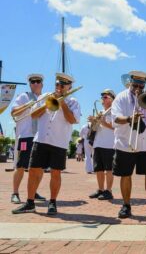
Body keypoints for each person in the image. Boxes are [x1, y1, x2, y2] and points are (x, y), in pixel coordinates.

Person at [12, 73, 81, 215]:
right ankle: (30, 203)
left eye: (62, 85)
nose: (59, 87)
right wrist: (47, 104)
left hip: (59, 142)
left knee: (55, 173)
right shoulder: (45, 97)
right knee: (33, 172)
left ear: (69, 87)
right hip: (41, 139)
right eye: (57, 84)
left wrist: (62, 104)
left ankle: (52, 202)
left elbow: (73, 120)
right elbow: (33, 115)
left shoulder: (73, 101)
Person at [111, 70, 146, 218]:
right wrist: (129, 119)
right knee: (125, 175)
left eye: (141, 85)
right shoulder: (121, 97)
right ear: (130, 82)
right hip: (125, 143)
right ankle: (126, 205)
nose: (138, 88)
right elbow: (115, 118)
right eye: (135, 85)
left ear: (145, 84)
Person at [10, 74, 46, 204]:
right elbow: (13, 112)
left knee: (39, 168)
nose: (35, 83)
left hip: (40, 137)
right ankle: (15, 193)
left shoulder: (44, 98)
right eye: (33, 82)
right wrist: (27, 106)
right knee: (20, 166)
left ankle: (33, 191)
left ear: (42, 84)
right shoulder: (24, 96)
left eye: (38, 81)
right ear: (30, 84)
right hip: (26, 136)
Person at [88, 89, 116, 200]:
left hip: (109, 144)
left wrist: (103, 122)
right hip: (98, 143)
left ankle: (108, 191)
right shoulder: (101, 112)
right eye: (102, 97)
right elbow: (95, 128)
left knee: (109, 169)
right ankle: (100, 189)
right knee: (98, 169)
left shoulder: (114, 111)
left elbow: (116, 127)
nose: (103, 99)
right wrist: (93, 122)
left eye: (106, 97)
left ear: (112, 99)